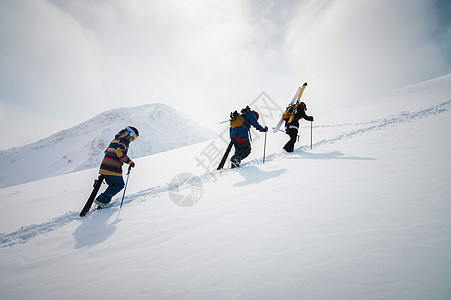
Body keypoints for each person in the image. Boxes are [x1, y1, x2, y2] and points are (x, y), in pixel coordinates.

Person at [94, 126, 139, 209]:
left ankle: (102, 204)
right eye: (134, 138)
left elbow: (106, 151)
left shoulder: (115, 140)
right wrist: (130, 162)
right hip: (113, 168)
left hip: (104, 167)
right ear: (130, 134)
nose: (132, 140)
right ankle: (102, 200)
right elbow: (119, 152)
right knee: (119, 185)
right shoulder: (124, 141)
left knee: (113, 185)